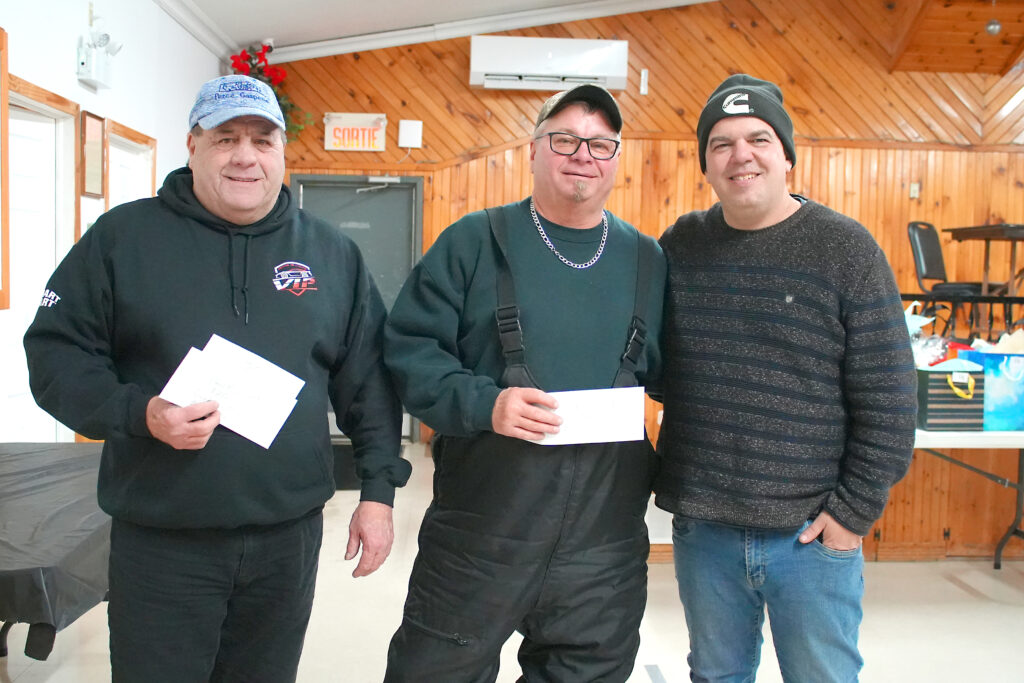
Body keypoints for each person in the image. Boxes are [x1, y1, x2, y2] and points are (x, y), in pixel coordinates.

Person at [23, 74, 411, 683]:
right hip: (162, 541)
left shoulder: (332, 253)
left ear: (282, 151)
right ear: (193, 146)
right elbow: (56, 358)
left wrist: (378, 492)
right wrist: (141, 413)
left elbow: (368, 382)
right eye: (226, 138)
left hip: (287, 540)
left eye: (262, 140)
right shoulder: (122, 240)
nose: (245, 156)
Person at [382, 84, 665, 682]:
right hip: (481, 538)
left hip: (603, 550)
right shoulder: (472, 242)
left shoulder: (648, 260)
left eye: (600, 143)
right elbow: (409, 350)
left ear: (616, 159)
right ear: (533, 150)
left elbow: (676, 379)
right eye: (564, 139)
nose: (582, 154)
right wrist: (486, 405)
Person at [655, 73, 917, 682]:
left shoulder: (845, 249)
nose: (740, 155)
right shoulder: (680, 246)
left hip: (811, 534)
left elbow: (891, 399)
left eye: (759, 139)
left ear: (787, 156)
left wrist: (851, 514)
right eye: (721, 144)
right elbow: (661, 370)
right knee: (715, 676)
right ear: (706, 165)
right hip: (705, 530)